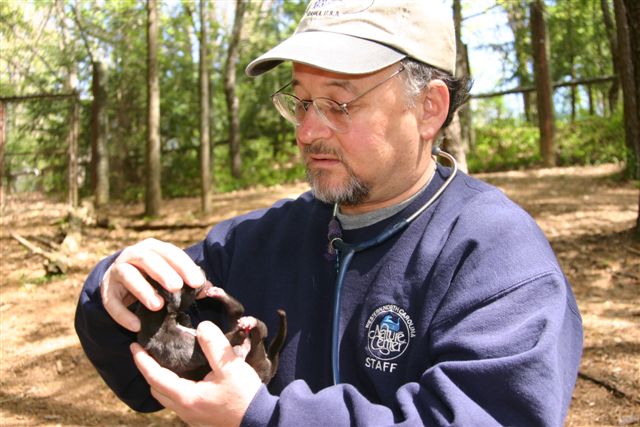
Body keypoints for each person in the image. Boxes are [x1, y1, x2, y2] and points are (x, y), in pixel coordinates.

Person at [75, 1, 583, 426]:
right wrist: (116, 288)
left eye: (339, 104)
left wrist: (263, 417)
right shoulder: (259, 243)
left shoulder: (496, 257)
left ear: (429, 107)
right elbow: (137, 368)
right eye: (300, 102)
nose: (306, 132)